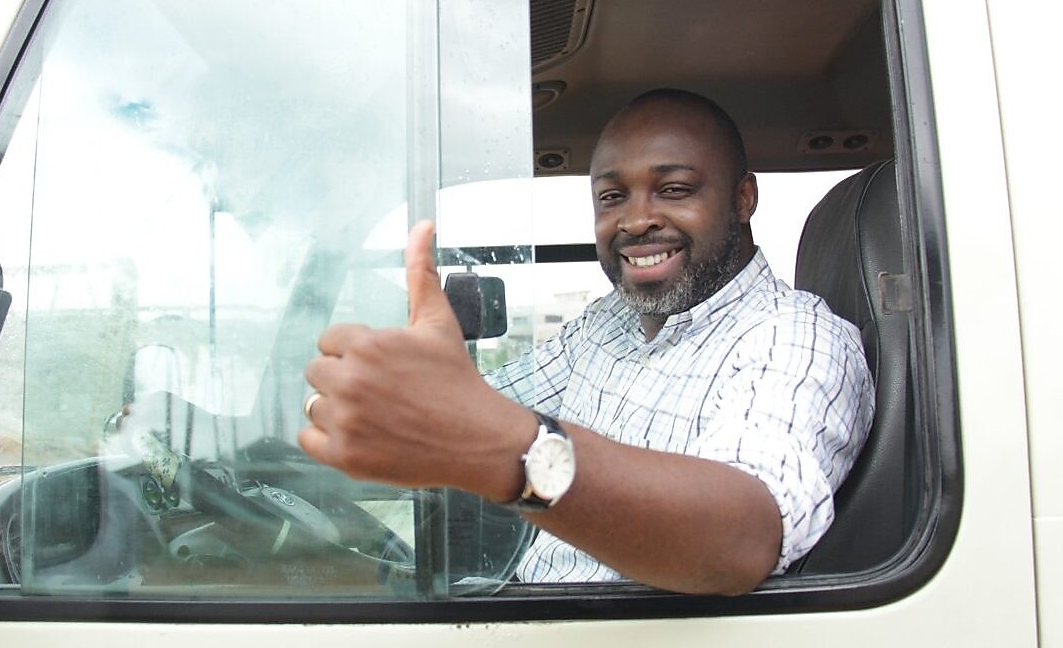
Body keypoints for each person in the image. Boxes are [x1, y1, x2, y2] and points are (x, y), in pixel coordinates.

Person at [299, 88, 875, 596]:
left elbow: (742, 538)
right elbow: (473, 406)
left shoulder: (794, 340)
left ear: (743, 200)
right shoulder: (605, 325)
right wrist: (388, 396)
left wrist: (512, 453)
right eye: (612, 197)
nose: (636, 220)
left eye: (674, 189)